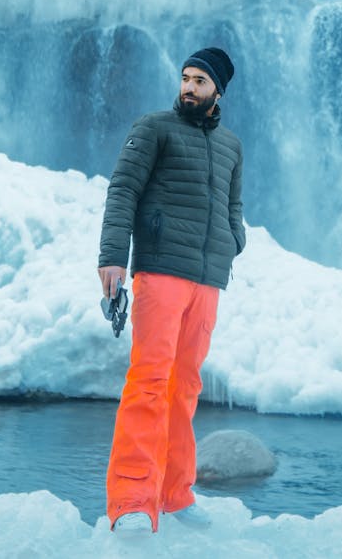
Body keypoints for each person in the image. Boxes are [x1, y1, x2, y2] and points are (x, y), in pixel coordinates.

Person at [97, 46, 245, 534]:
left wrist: (231, 241)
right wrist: (113, 257)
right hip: (160, 272)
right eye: (185, 77)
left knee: (184, 389)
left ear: (218, 90)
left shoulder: (231, 146)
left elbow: (233, 204)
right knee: (149, 382)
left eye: (200, 81)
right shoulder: (154, 127)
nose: (189, 87)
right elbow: (123, 189)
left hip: (207, 280)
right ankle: (132, 500)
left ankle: (175, 494)